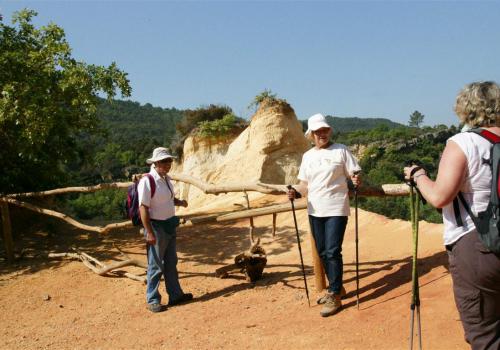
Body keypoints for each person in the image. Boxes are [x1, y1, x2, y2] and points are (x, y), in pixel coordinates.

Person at [404, 81, 500, 349]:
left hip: (477, 242)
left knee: (485, 334)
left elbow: (440, 196)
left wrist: (418, 175)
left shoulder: (463, 143)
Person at [288, 113, 362, 317]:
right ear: (311, 134)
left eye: (325, 130)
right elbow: (304, 185)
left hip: (336, 208)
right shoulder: (307, 156)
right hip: (314, 209)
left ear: (329, 131)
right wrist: (295, 192)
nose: (322, 134)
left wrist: (355, 181)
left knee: (331, 251)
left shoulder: (341, 150)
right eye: (318, 131)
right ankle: (336, 288)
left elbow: (354, 173)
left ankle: (334, 293)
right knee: (322, 252)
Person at [138, 147, 193, 313]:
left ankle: (175, 295)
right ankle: (153, 299)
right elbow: (143, 208)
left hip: (169, 225)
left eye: (169, 160)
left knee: (171, 263)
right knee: (155, 265)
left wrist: (179, 202)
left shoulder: (166, 179)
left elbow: (167, 199)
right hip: (156, 227)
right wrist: (149, 232)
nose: (168, 164)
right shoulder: (148, 181)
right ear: (155, 163)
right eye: (164, 161)